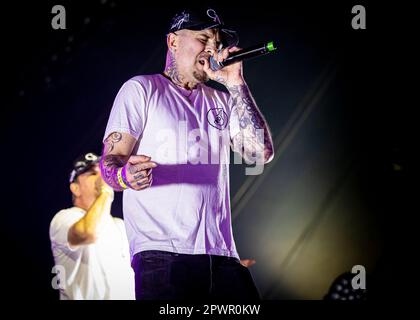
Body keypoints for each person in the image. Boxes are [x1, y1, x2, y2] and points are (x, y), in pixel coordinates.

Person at [100, 8, 274, 300]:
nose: (211, 48)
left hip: (222, 254)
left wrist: (235, 83)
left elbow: (261, 153)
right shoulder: (142, 89)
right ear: (173, 42)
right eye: (203, 38)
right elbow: (110, 163)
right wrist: (124, 174)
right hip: (162, 254)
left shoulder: (221, 98)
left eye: (215, 42)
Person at [49, 152, 135, 300]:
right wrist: (106, 191)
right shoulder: (64, 218)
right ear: (75, 188)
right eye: (93, 173)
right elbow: (88, 233)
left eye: (102, 173)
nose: (102, 177)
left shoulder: (120, 226)